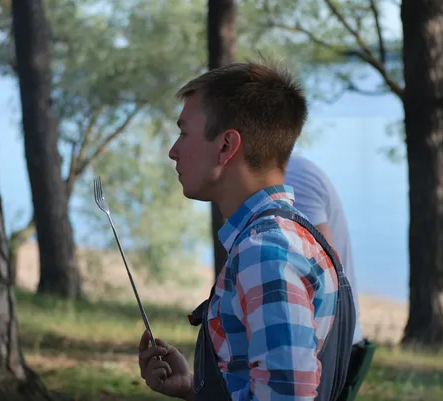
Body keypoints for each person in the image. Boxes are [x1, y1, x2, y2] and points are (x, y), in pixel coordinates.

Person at [137, 61, 356, 401]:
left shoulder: (265, 252)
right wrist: (195, 388)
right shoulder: (294, 237)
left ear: (226, 146)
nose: (173, 151)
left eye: (183, 133)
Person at [285, 154, 376, 401]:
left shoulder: (293, 176)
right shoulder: (291, 171)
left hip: (329, 351)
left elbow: (323, 277)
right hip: (330, 348)